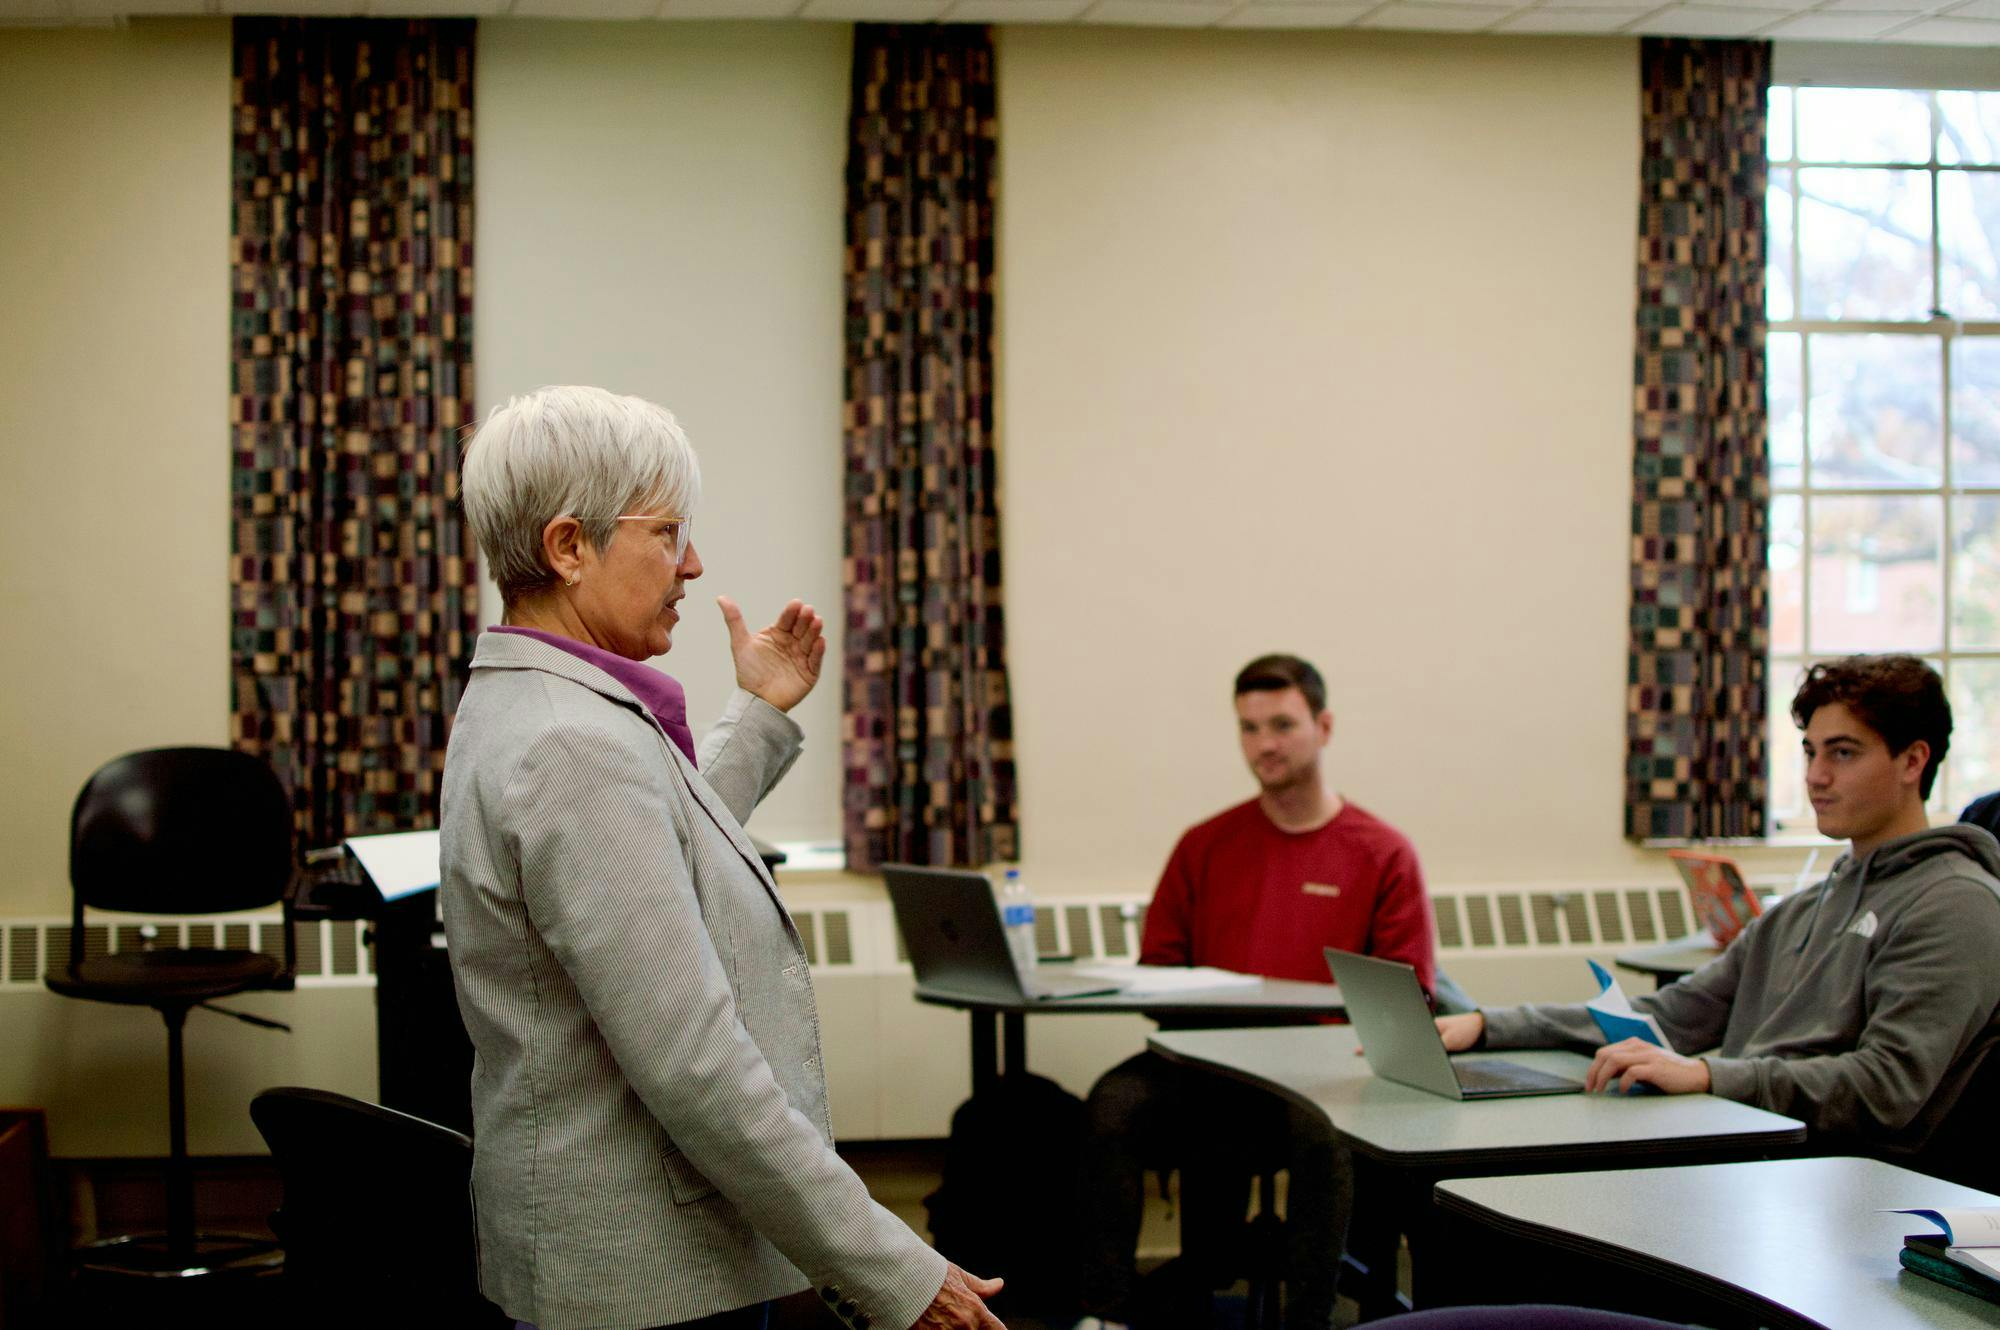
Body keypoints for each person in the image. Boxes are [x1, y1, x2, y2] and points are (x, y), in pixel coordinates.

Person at [442, 386, 1002, 1330]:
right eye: (666, 534)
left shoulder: (534, 705)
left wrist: (762, 715)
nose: (692, 564)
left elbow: (661, 848)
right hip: (645, 1277)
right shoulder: (573, 747)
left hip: (616, 1256)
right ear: (569, 546)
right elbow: (697, 1065)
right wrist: (892, 1269)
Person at [1439, 654, 2000, 1148]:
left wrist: (1710, 1076)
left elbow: (1885, 1088)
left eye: (1843, 754)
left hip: (1821, 1178)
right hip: (1743, 1145)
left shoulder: (1956, 905)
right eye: (1810, 753)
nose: (1815, 776)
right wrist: (1488, 1024)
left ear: (1912, 761)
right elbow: (1668, 1016)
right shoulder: (1805, 908)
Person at [1080, 654, 1436, 1330]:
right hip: (1207, 1067)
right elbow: (1158, 968)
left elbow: (1408, 995)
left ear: (1324, 727)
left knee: (1322, 1127)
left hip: (1320, 1074)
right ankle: (1108, 1314)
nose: (1264, 744)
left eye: (1281, 724)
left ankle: (1307, 1319)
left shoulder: (1383, 852)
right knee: (1113, 1104)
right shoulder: (1205, 845)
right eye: (1248, 728)